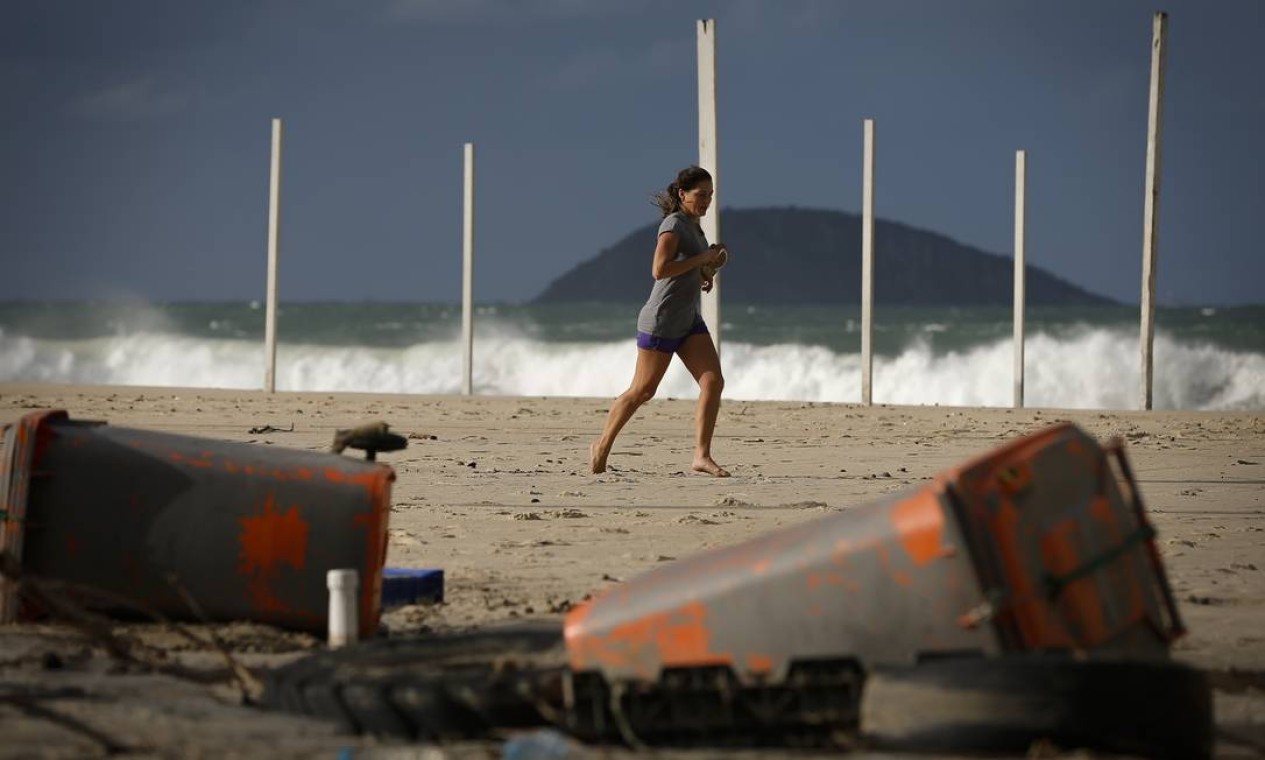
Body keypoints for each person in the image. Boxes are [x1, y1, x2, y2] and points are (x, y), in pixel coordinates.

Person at [590, 165, 730, 477]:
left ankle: (701, 456)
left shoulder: (695, 226)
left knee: (713, 382)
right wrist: (701, 260)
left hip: (688, 319)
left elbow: (687, 268)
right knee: (642, 391)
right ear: (683, 194)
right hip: (662, 319)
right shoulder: (674, 224)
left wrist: (705, 275)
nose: (706, 201)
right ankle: (602, 445)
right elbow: (660, 269)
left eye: (710, 195)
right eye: (700, 195)